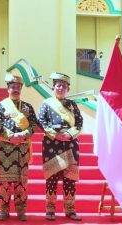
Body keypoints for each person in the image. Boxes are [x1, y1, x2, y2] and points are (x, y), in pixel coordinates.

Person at [37, 72, 83, 221]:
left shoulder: (73, 105)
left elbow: (79, 123)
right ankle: (50, 210)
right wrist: (56, 135)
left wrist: (70, 134)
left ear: (68, 89)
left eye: (64, 86)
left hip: (70, 144)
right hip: (52, 144)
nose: (61, 88)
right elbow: (41, 122)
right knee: (52, 178)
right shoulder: (46, 104)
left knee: (70, 179)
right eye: (58, 85)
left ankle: (70, 210)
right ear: (53, 87)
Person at [0, 73, 37, 221]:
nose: (15, 89)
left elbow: (33, 125)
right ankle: (3, 210)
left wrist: (24, 134)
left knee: (21, 182)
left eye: (18, 87)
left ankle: (21, 210)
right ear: (8, 88)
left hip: (22, 148)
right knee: (5, 182)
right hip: (5, 148)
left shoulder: (27, 107)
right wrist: (11, 136)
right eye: (13, 87)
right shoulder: (0, 106)